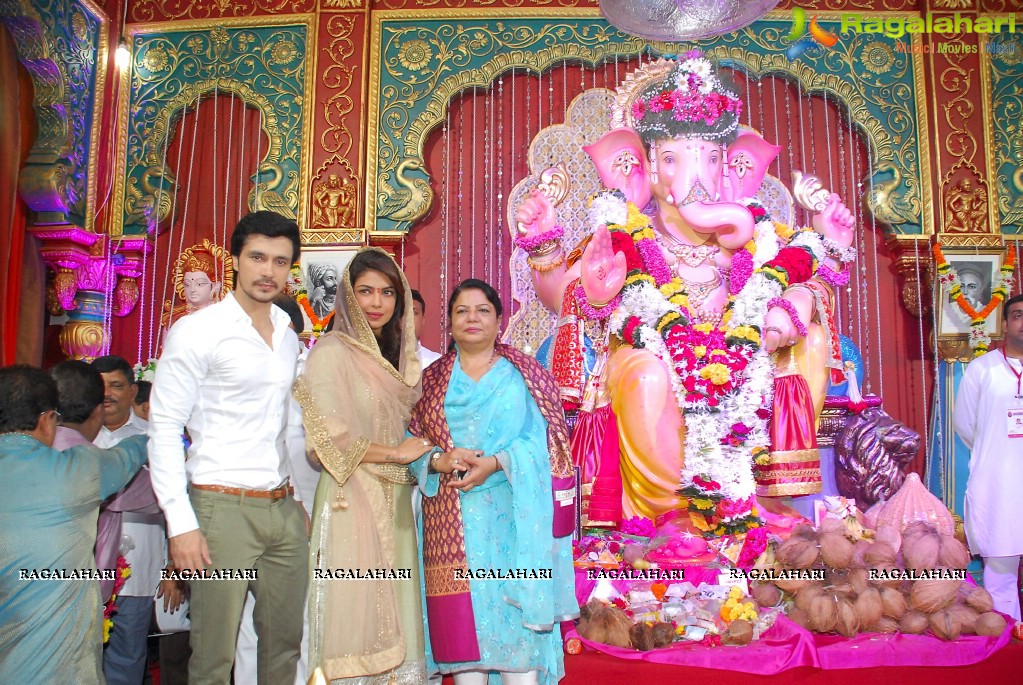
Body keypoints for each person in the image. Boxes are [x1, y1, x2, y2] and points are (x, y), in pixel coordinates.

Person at [149, 210, 308, 685]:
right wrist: (181, 525)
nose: (268, 271)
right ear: (235, 260)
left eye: (280, 261)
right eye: (258, 257)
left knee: (283, 647)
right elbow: (163, 429)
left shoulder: (285, 330)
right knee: (214, 656)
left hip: (279, 509)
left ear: (290, 268)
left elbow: (279, 423)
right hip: (219, 509)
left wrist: (293, 496)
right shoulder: (198, 330)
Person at [409, 279, 578, 685]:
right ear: (448, 323)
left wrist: (499, 462)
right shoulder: (428, 382)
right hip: (450, 520)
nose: (472, 318)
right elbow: (408, 446)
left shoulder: (525, 375)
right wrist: (437, 460)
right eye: (462, 311)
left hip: (514, 517)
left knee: (516, 643)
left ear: (499, 320)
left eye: (482, 310)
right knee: (467, 651)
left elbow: (548, 444)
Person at [294, 247, 434, 684]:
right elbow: (326, 442)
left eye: (387, 292)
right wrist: (395, 453)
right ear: (348, 296)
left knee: (397, 606)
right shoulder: (331, 353)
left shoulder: (399, 361)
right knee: (352, 607)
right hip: (348, 498)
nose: (376, 302)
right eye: (365, 291)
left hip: (396, 501)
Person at [0, 365, 148, 684]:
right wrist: (166, 435)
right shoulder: (77, 470)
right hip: (51, 665)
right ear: (46, 419)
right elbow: (131, 453)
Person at [234, 294, 320, 685]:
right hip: (246, 509)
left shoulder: (313, 376)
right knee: (249, 619)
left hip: (305, 513)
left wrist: (300, 502)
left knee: (299, 617)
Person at [93, 354, 173, 685]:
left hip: (140, 569)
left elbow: (176, 504)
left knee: (128, 658)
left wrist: (173, 568)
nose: (108, 394)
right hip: (86, 572)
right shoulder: (75, 437)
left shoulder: (158, 438)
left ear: (131, 390)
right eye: (100, 387)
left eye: (116, 386)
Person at [953, 292, 1023, 622]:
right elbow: (966, 425)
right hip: (999, 484)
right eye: (1018, 315)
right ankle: (1009, 639)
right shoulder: (983, 369)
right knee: (1001, 569)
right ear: (1006, 323)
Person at [412, 289, 442, 369]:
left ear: (423, 321)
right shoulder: (379, 361)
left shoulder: (437, 362)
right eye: (401, 312)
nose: (407, 318)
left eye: (413, 313)